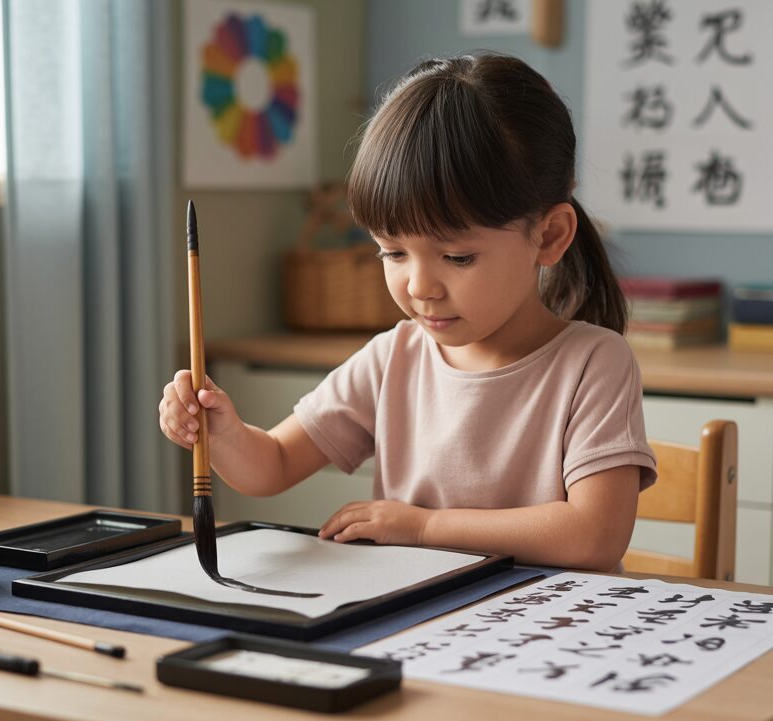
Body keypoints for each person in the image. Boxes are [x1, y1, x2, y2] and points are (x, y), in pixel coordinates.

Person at [159, 53, 657, 571]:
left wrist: (423, 527)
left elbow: (594, 535)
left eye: (457, 257)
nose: (420, 287)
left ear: (549, 235)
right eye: (393, 252)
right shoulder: (392, 358)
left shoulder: (594, 363)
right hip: (421, 630)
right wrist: (223, 435)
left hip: (548, 634)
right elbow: (274, 465)